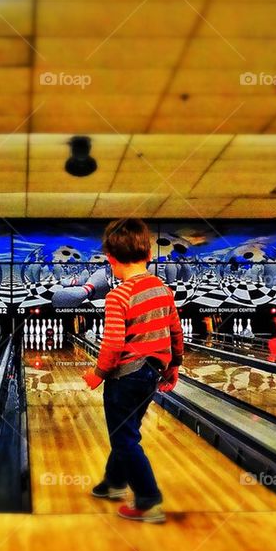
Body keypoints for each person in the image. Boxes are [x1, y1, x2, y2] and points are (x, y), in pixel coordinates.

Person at [82, 218, 183, 523]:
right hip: (152, 373)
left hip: (125, 377)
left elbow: (113, 343)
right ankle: (113, 484)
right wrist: (174, 366)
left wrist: (98, 373)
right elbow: (175, 331)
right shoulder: (163, 289)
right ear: (149, 256)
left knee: (124, 439)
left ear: (110, 259)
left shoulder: (118, 296)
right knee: (126, 432)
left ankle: (148, 500)